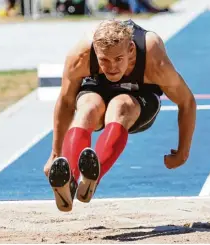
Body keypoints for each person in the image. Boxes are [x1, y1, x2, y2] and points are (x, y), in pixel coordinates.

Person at [43, 19, 197, 212]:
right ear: (95, 52)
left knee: (119, 106)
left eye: (118, 59)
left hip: (139, 98)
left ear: (131, 50)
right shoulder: (80, 56)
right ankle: (69, 182)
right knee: (87, 109)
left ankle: (92, 178)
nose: (112, 67)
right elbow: (66, 102)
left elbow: (187, 101)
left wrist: (183, 152)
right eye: (104, 60)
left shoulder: (153, 58)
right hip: (96, 91)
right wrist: (55, 155)